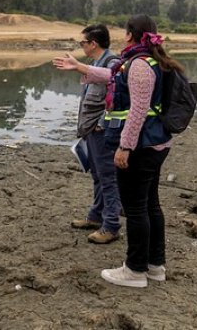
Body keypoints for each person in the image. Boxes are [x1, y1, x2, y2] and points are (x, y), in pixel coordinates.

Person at [56, 14, 183, 288]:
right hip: (155, 143)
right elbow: (112, 75)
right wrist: (80, 67)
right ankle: (154, 266)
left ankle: (135, 270)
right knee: (150, 205)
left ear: (129, 35)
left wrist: (125, 147)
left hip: (141, 146)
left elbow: (137, 110)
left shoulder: (138, 65)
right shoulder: (145, 61)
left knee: (137, 209)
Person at [52, 24, 123, 244]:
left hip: (101, 130)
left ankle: (111, 225)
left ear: (93, 43)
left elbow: (116, 96)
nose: (81, 46)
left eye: (83, 42)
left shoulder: (112, 63)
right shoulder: (94, 63)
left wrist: (101, 124)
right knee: (97, 175)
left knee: (107, 177)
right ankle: (95, 216)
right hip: (92, 129)